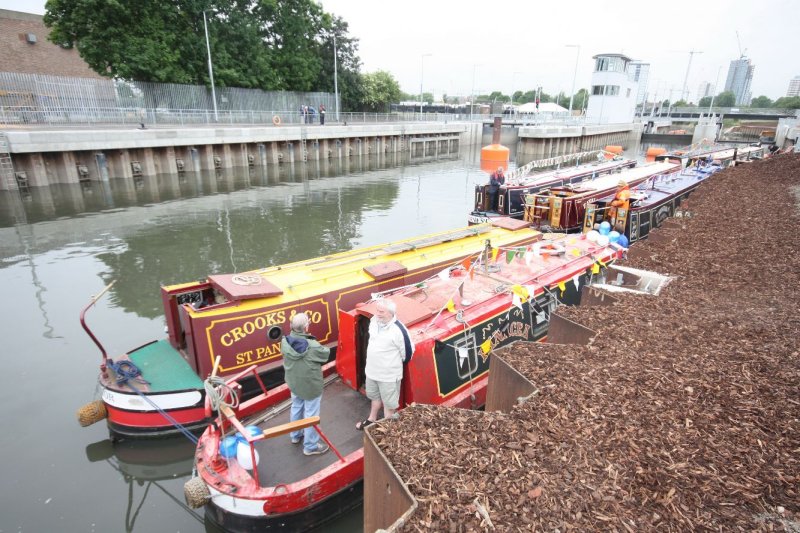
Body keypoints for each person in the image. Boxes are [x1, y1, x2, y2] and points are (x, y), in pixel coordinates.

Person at [355, 299, 414, 430]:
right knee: (374, 398)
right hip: (372, 372)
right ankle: (371, 419)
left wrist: (390, 366)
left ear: (391, 313)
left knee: (389, 404)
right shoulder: (374, 321)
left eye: (381, 311)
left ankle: (388, 430)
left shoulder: (399, 330)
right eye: (377, 310)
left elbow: (408, 352)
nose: (378, 314)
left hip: (388, 377)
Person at [282, 312, 331, 455]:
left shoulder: (285, 341)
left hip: (294, 382)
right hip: (310, 385)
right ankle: (310, 446)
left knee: (296, 406)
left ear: (291, 326)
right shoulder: (312, 346)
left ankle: (295, 436)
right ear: (306, 327)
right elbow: (325, 354)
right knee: (311, 414)